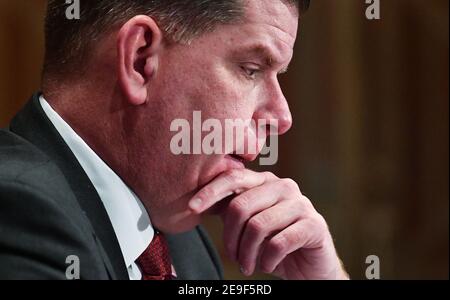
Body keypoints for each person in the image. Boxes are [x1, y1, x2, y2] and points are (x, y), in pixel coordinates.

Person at [0, 0, 348, 280]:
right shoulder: (18, 212)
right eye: (251, 69)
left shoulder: (181, 241)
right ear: (140, 59)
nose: (282, 116)